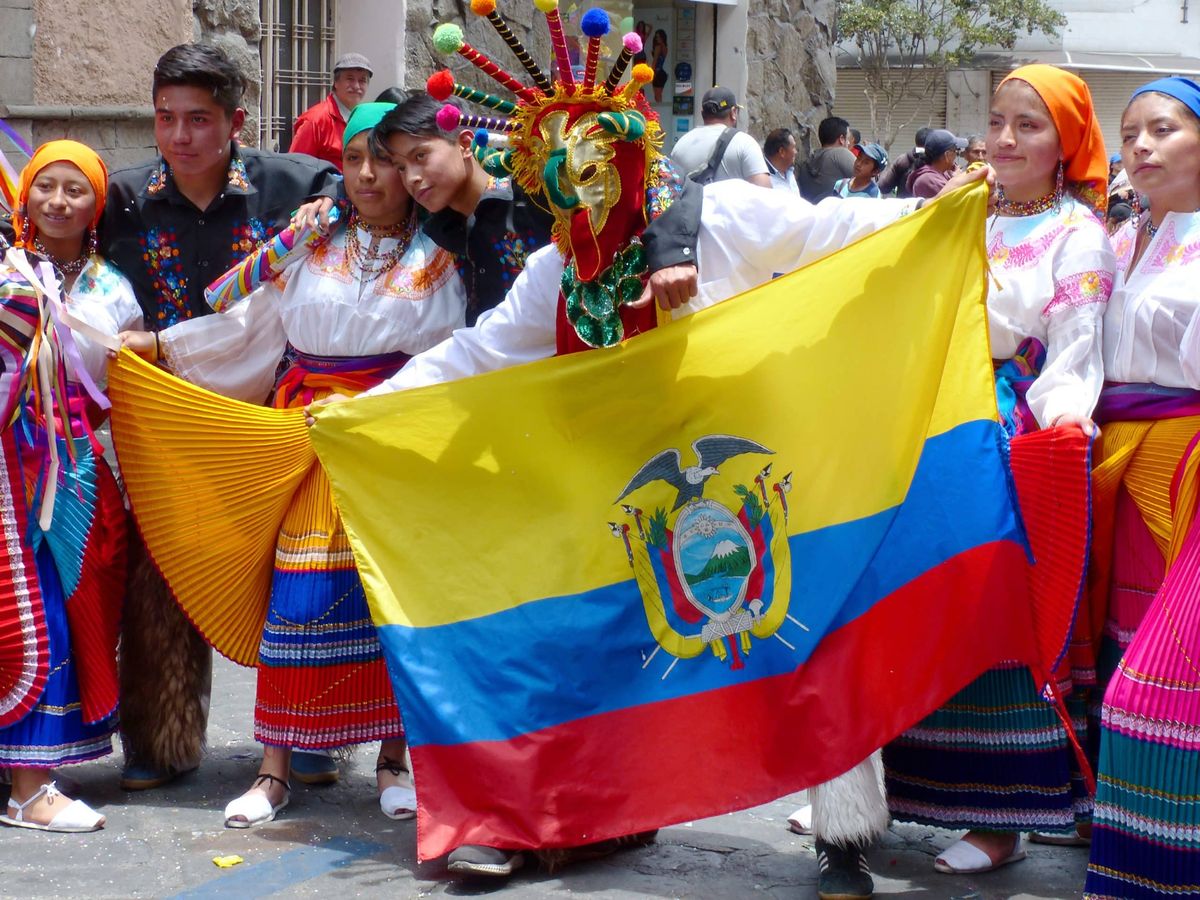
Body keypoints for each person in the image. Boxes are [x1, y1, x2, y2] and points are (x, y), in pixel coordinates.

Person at [325, 8, 988, 884]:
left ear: (631, 148)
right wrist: (364, 411)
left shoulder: (724, 220)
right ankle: (547, 817)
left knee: (796, 629)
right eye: (559, 167)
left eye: (595, 153)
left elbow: (833, 233)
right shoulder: (557, 269)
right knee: (569, 642)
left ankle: (845, 833)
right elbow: (479, 351)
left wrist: (928, 211)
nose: (582, 180)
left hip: (748, 473)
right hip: (617, 492)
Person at [116, 102, 466, 828]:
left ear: (409, 170)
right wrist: (160, 349)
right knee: (297, 596)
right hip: (305, 433)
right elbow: (248, 324)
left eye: (385, 160)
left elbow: (449, 359)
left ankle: (395, 763)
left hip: (391, 438)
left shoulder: (441, 258)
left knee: (392, 600)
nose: (368, 175)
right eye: (354, 159)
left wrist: (388, 418)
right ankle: (273, 769)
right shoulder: (309, 243)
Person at [884, 64, 1115, 878]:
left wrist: (1049, 439)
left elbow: (1074, 348)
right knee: (911, 606)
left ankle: (998, 817)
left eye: (1031, 125)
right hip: (927, 417)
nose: (1007, 139)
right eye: (998, 121)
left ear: (1067, 144)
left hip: (1001, 428)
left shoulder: (1078, 234)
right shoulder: (958, 208)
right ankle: (887, 791)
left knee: (989, 611)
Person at [100, 42, 341, 793]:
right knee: (163, 573)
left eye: (199, 119)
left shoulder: (294, 185)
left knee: (295, 577)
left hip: (276, 417)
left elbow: (378, 204)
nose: (180, 137)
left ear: (236, 120)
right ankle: (160, 740)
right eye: (166, 118)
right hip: (169, 420)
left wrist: (333, 205)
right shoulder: (125, 199)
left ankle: (308, 737)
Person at [0, 141, 144, 832]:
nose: (58, 201)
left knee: (71, 607)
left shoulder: (113, 291)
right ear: (24, 196)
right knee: (27, 613)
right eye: (45, 186)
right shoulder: (7, 277)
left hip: (78, 470)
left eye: (75, 189)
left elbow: (133, 390)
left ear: (96, 205)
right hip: (12, 469)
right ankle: (27, 786)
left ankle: (36, 766)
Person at [1083, 76, 1200, 899]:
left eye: (1163, 129)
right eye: (1130, 134)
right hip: (1121, 462)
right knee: (1120, 636)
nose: (1143, 147)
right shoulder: (1124, 240)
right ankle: (1118, 823)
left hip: (1187, 462)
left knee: (1163, 680)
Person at [373, 93, 701, 326]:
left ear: (463, 143)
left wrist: (672, 251)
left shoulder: (537, 193)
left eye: (420, 157)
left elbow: (656, 174)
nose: (412, 178)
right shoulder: (436, 226)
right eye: (401, 168)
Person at [670, 86, 770, 187]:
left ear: (703, 114)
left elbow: (671, 193)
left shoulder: (680, 146)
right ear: (733, 112)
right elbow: (764, 191)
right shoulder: (744, 143)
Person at [288, 52, 373, 169]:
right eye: (350, 79)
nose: (356, 86)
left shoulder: (364, 119)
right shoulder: (315, 120)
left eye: (362, 81)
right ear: (336, 82)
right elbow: (295, 167)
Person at [796, 116, 855, 201]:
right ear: (841, 139)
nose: (849, 143)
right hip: (836, 212)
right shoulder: (841, 153)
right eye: (847, 138)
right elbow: (867, 180)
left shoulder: (806, 164)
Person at [906, 128, 966, 199]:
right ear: (947, 155)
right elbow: (957, 200)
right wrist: (957, 179)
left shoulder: (943, 173)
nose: (956, 155)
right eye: (955, 151)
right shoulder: (929, 180)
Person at [877, 127, 929, 198]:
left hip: (906, 208)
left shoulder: (902, 160)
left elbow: (883, 186)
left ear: (916, 140)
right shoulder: (938, 162)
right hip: (929, 207)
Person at [763, 127, 800, 196]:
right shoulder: (764, 179)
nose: (796, 152)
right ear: (782, 152)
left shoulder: (789, 172)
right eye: (794, 147)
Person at [650, 29, 668, 103]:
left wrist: (651, 74)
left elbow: (655, 61)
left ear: (662, 38)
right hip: (662, 73)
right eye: (656, 37)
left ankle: (659, 112)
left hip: (657, 73)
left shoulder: (658, 47)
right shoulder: (665, 47)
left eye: (659, 37)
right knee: (659, 95)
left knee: (657, 96)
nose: (657, 39)